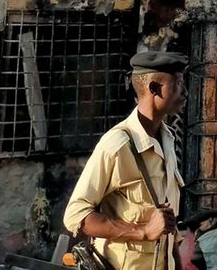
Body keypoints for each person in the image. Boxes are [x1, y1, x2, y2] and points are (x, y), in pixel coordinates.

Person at [63, 50, 188, 269]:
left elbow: (166, 224)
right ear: (154, 88)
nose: (185, 92)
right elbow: (76, 215)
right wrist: (143, 231)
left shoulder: (166, 138)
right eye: (178, 83)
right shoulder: (117, 144)